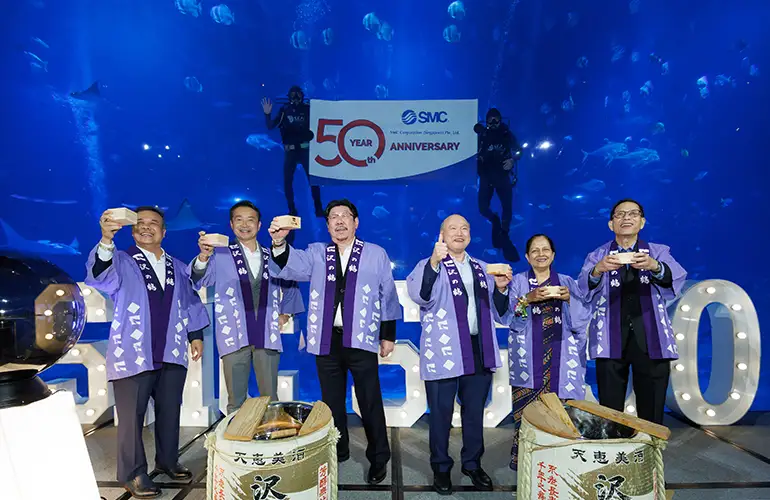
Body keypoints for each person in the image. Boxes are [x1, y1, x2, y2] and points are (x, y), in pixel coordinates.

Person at [267, 199, 402, 485]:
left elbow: (387, 295)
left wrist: (387, 334)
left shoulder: (375, 253)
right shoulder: (317, 253)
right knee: (331, 403)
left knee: (370, 401)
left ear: (356, 222)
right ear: (327, 225)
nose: (339, 221)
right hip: (326, 341)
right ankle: (338, 449)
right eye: (333, 217)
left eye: (345, 216)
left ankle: (379, 456)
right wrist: (279, 243)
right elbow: (289, 267)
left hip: (362, 339)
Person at [85, 207, 209, 499]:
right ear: (131, 229)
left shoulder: (177, 266)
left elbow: (190, 298)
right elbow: (98, 276)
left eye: (154, 223)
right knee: (131, 417)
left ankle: (167, 460)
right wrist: (105, 239)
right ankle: (132, 473)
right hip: (133, 351)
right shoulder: (121, 260)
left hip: (171, 347)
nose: (147, 227)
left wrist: (195, 334)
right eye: (140, 223)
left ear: (164, 232)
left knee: (169, 410)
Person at [406, 214, 513, 495]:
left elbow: (501, 309)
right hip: (443, 351)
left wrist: (501, 288)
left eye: (465, 228)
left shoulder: (482, 268)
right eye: (452, 228)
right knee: (440, 413)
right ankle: (441, 467)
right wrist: (433, 262)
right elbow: (419, 295)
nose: (459, 232)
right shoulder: (429, 264)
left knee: (474, 412)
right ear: (441, 234)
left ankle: (472, 463)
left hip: (478, 349)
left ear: (470, 235)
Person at [188, 200, 304, 412]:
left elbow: (291, 282)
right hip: (233, 333)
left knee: (270, 397)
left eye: (250, 220)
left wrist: (285, 313)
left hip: (267, 333)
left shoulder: (273, 254)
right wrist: (204, 256)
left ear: (259, 225)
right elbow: (199, 278)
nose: (244, 224)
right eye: (238, 220)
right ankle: (236, 442)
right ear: (231, 225)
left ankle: (271, 438)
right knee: (236, 398)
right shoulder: (220, 255)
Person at [578, 199, 687, 424]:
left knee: (652, 406)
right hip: (609, 339)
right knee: (610, 409)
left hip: (651, 338)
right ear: (611, 224)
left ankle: (651, 450)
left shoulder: (658, 251)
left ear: (642, 222)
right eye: (620, 215)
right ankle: (613, 453)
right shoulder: (598, 255)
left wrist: (654, 266)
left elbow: (676, 279)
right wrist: (598, 270)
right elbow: (582, 289)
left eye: (633, 214)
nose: (626, 218)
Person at [506, 234, 590, 471]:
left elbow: (582, 319)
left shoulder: (566, 282)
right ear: (527, 256)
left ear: (553, 255)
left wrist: (570, 299)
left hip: (561, 357)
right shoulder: (519, 282)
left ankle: (561, 465)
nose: (540, 254)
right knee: (527, 415)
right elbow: (511, 319)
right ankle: (525, 464)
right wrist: (527, 300)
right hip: (528, 360)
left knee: (562, 413)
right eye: (534, 250)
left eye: (545, 250)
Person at [262, 85, 324, 219]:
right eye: (293, 95)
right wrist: (267, 114)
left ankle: (318, 208)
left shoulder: (308, 109)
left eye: (298, 95)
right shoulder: (285, 110)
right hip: (290, 151)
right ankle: (292, 209)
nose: (296, 98)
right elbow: (271, 126)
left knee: (313, 180)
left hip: (304, 149)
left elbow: (321, 121)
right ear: (289, 97)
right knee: (288, 181)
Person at [473, 108, 521, 263]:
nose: (493, 123)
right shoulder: (482, 135)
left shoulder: (506, 134)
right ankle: (495, 220)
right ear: (486, 121)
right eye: (490, 120)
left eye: (496, 119)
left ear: (501, 120)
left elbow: (520, 150)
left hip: (502, 176)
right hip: (486, 177)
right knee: (482, 208)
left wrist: (513, 160)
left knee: (507, 207)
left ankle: (504, 233)